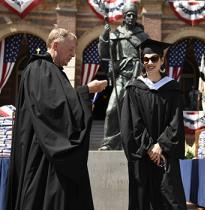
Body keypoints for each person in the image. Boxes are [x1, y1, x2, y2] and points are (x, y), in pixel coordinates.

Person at [5, 28, 107, 210]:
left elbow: (61, 103)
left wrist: (81, 99)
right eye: (70, 50)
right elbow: (53, 109)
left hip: (48, 152)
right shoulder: (40, 69)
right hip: (43, 154)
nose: (72, 55)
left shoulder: (53, 71)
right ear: (56, 45)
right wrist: (86, 91)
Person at [120, 39, 187, 210]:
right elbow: (132, 123)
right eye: (146, 59)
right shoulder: (134, 89)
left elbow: (175, 122)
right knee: (143, 200)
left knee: (170, 199)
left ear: (162, 61)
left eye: (154, 58)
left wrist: (161, 145)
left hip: (165, 155)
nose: (149, 62)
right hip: (142, 157)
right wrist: (149, 147)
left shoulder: (173, 89)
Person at [98, 2, 149, 150]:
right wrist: (104, 35)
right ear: (124, 17)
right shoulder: (116, 34)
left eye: (134, 15)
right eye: (128, 15)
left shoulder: (143, 36)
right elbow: (104, 54)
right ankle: (109, 142)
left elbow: (148, 56)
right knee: (111, 110)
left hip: (137, 79)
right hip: (121, 78)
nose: (131, 17)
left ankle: (135, 142)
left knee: (136, 114)